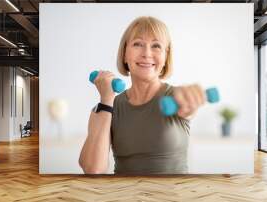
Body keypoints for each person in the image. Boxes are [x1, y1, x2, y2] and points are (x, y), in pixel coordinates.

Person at [79, 16, 206, 174]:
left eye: (156, 46)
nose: (147, 53)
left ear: (166, 57)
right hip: (125, 196)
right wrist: (106, 100)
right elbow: (93, 170)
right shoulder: (107, 107)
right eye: (137, 44)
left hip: (173, 196)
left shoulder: (176, 98)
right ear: (125, 54)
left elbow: (188, 106)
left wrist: (191, 99)